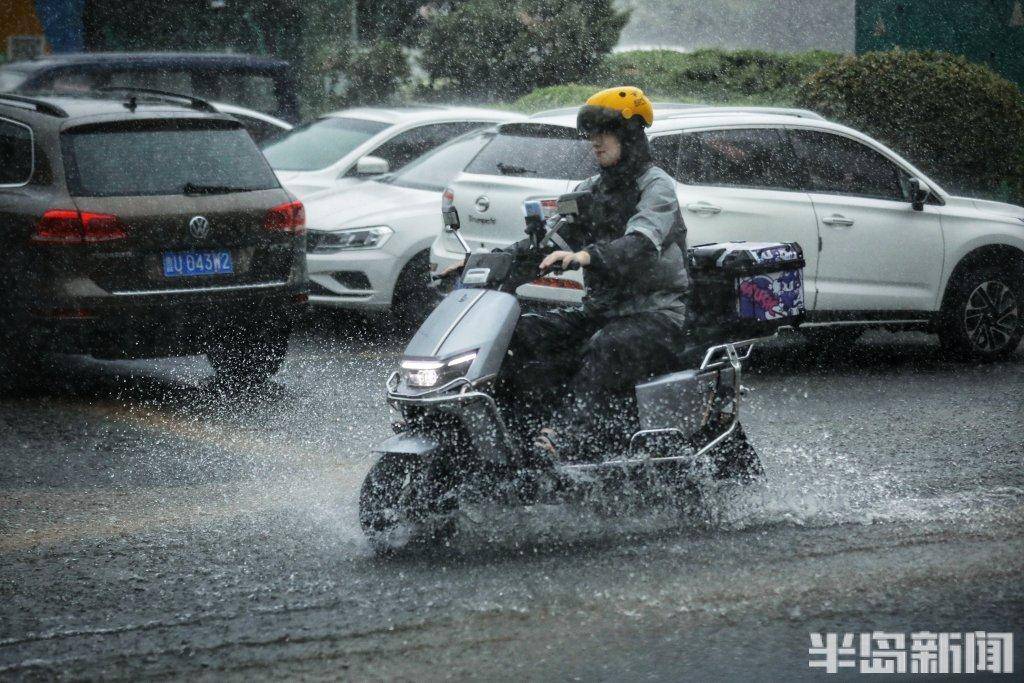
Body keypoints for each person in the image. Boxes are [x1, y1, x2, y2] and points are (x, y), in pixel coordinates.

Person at [504, 86, 691, 463]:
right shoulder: (589, 190)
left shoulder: (656, 187)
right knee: (521, 333)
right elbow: (548, 240)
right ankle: (518, 430)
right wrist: (486, 264)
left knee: (608, 345)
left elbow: (640, 243)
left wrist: (587, 256)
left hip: (656, 314)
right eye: (590, 134)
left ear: (631, 134)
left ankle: (569, 436)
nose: (595, 142)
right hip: (602, 310)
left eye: (603, 132)